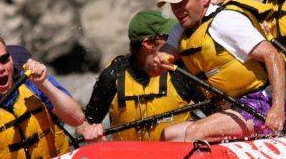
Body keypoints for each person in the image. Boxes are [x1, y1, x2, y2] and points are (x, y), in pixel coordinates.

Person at [151, 0, 286, 142]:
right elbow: (161, 60)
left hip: (260, 103)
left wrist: (277, 109)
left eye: (182, 2)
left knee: (195, 133)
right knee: (168, 135)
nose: (177, 9)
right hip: (228, 107)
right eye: (173, 4)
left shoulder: (225, 20)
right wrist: (157, 61)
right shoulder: (180, 29)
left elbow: (273, 56)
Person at [77, 9, 208, 142]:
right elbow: (83, 123)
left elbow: (215, 112)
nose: (178, 39)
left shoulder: (181, 70)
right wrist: (89, 132)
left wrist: (195, 128)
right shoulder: (113, 75)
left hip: (178, 154)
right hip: (128, 155)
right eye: (170, 36)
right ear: (148, 44)